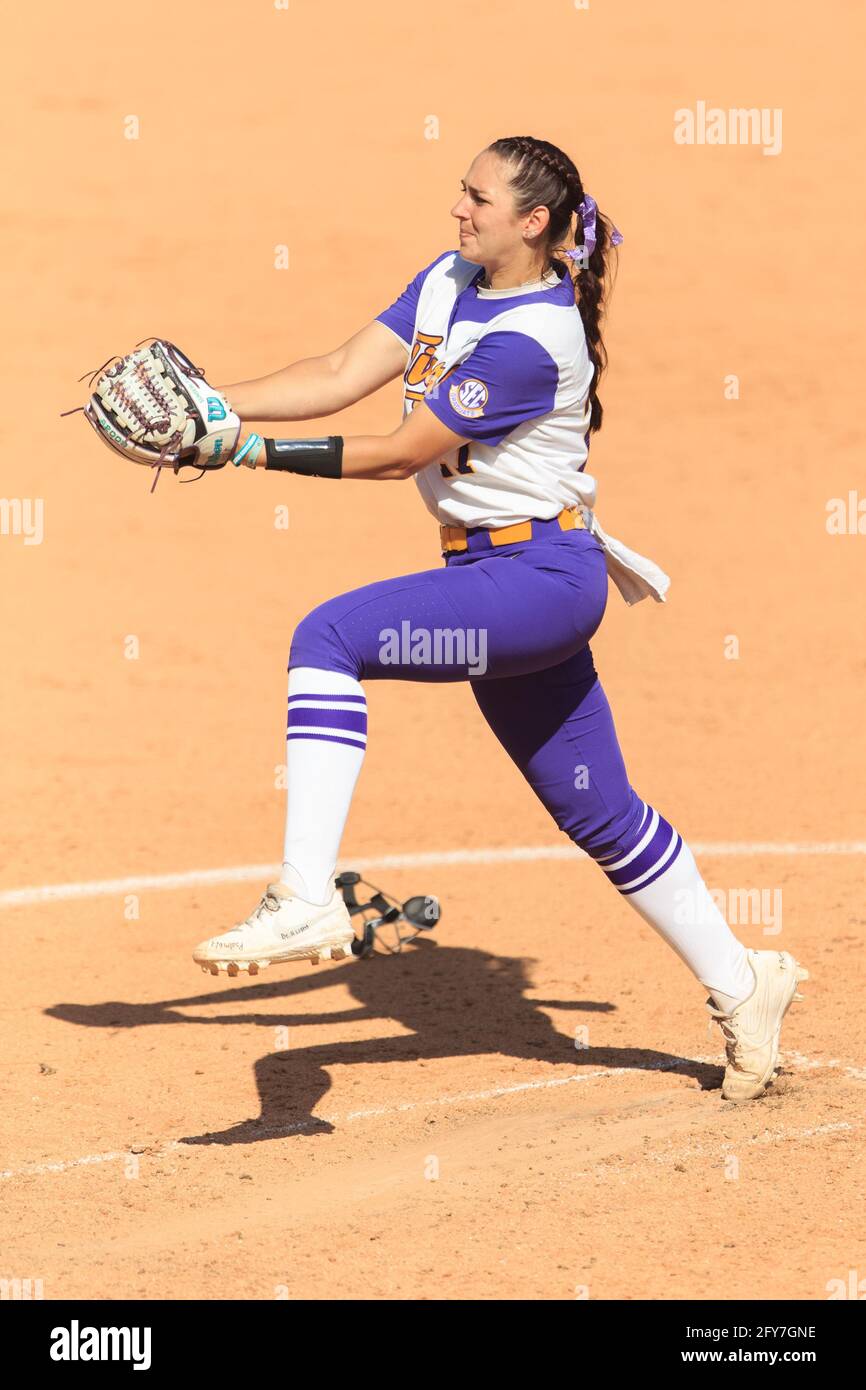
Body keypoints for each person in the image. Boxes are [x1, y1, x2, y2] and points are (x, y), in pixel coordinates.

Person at [191, 135, 807, 1103]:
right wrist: (208, 407)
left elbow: (400, 454)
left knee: (327, 638)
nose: (456, 209)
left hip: (536, 583)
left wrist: (244, 456)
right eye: (458, 191)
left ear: (531, 222)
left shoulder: (534, 338)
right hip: (494, 579)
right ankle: (744, 982)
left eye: (475, 198)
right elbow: (340, 369)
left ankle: (305, 893)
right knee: (597, 811)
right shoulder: (448, 278)